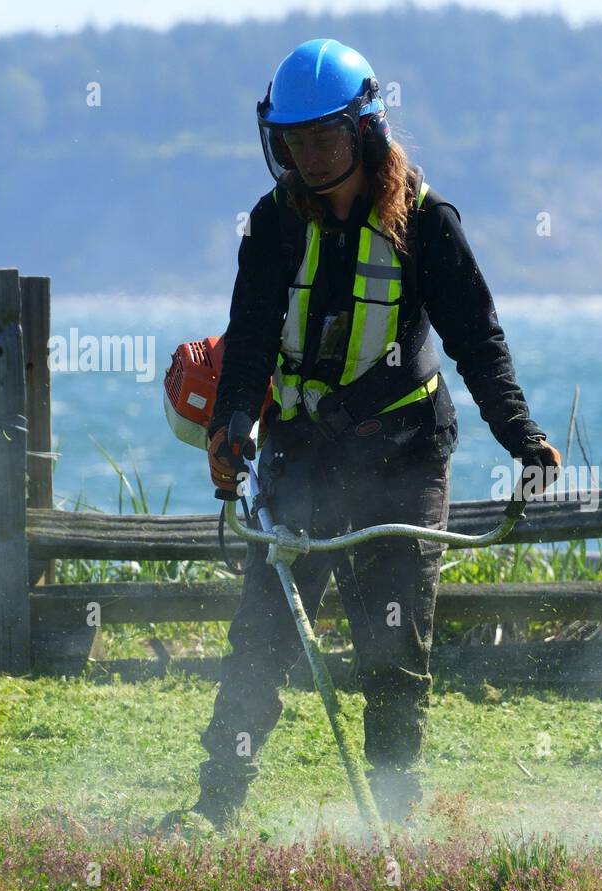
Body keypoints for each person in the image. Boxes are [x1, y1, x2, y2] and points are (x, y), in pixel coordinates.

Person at [183, 38, 560, 829]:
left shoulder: (426, 223)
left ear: (367, 131)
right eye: (292, 141)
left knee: (392, 654)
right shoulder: (271, 225)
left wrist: (523, 439)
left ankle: (394, 821)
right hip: (298, 457)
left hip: (405, 458)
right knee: (261, 642)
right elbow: (247, 343)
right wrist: (228, 425)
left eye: (322, 137)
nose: (307, 156)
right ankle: (213, 811)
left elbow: (478, 343)